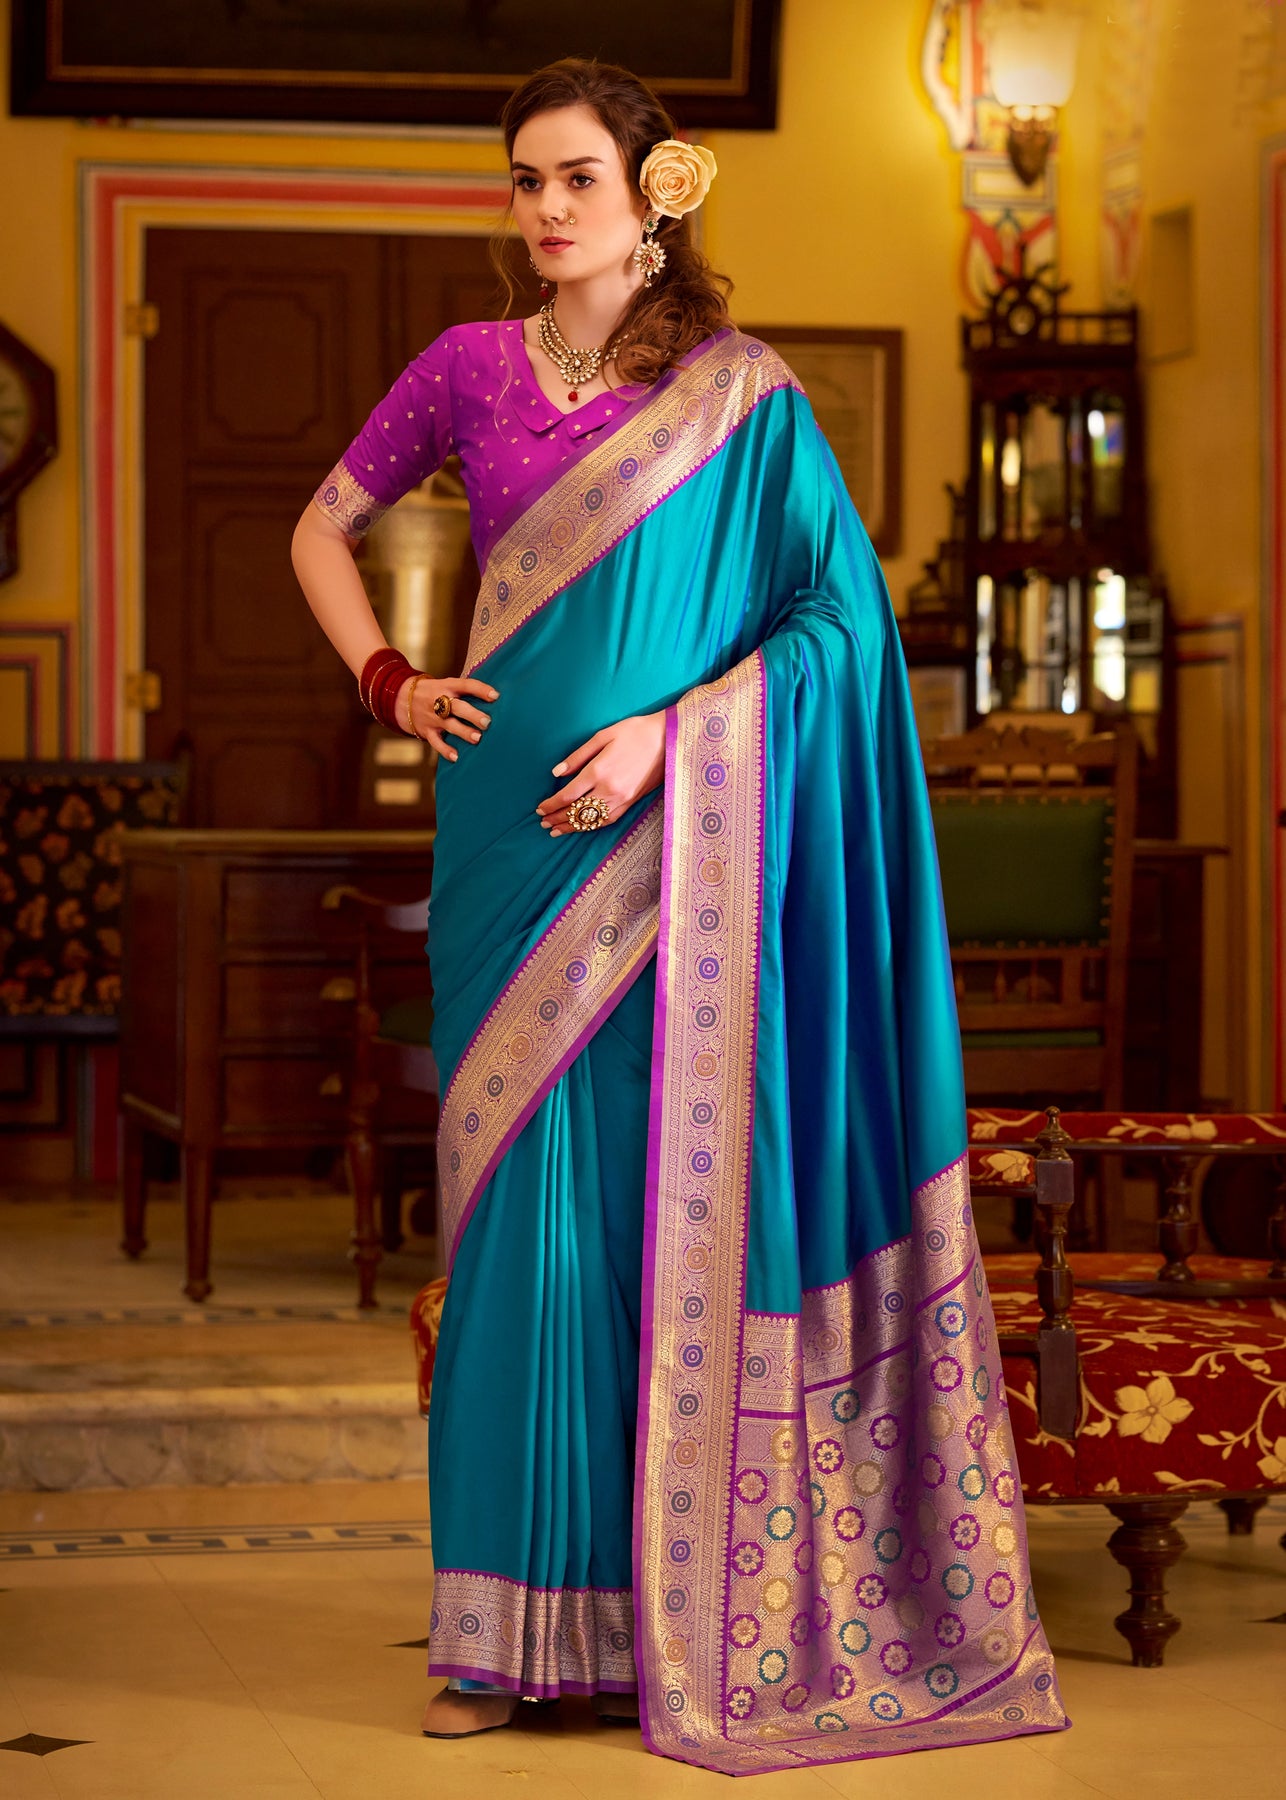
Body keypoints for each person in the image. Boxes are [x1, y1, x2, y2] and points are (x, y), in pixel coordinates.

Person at [292, 55, 1067, 1779]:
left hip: (679, 853)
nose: (544, 207)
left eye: (575, 175)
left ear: (656, 188)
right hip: (502, 848)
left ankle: (668, 1618)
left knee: (660, 1218)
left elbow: (833, 624)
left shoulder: (741, 395)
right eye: (524, 178)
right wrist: (391, 681)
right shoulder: (464, 367)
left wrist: (674, 738)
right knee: (515, 1231)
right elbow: (321, 530)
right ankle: (497, 1635)